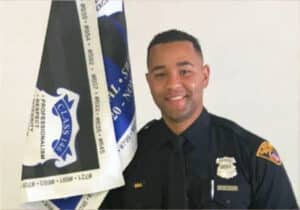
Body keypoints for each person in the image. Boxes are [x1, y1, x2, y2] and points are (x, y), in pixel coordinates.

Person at [100, 29, 298, 209]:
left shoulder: (250, 154)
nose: (173, 84)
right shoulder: (127, 159)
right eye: (160, 75)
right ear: (149, 82)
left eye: (184, 72)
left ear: (204, 76)